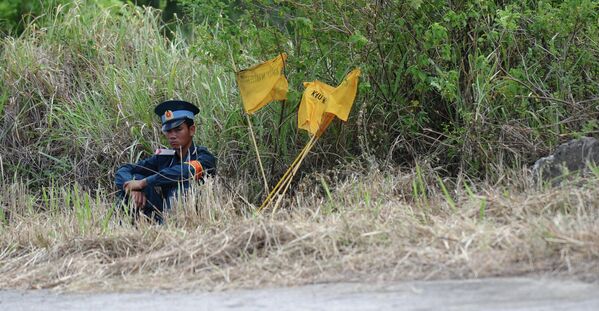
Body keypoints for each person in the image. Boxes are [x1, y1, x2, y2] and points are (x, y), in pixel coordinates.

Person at [115, 100, 216, 222]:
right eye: (168, 131)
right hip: (164, 217)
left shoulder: (204, 157)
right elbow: (124, 169)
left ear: (191, 130)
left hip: (194, 220)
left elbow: (184, 172)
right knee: (134, 178)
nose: (172, 135)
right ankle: (127, 231)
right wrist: (132, 188)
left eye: (178, 129)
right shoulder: (164, 158)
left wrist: (144, 182)